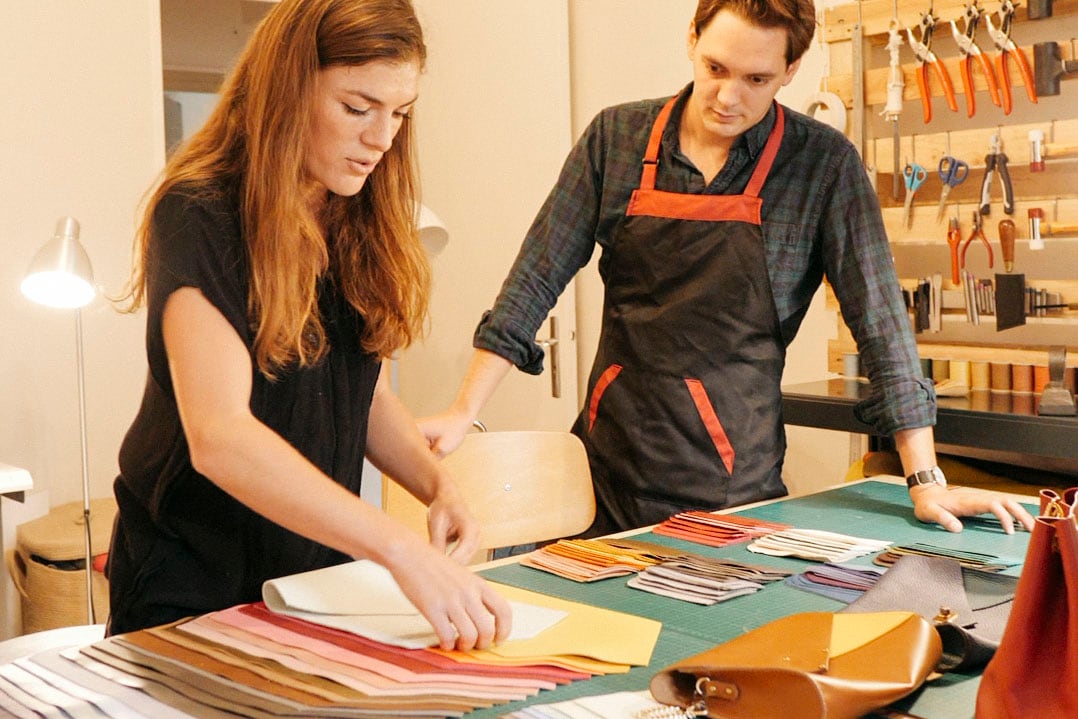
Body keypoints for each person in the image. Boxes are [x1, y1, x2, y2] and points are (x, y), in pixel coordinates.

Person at [420, 0, 1034, 537]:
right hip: (604, 482)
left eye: (756, 78)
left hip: (734, 494)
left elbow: (880, 322)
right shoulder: (616, 138)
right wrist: (461, 411)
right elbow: (536, 276)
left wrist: (925, 479)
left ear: (791, 70)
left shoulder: (822, 166)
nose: (727, 97)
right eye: (715, 68)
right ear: (692, 39)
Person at [106, 0, 511, 649]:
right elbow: (221, 435)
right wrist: (400, 548)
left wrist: (439, 488)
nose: (382, 138)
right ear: (288, 90)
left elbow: (363, 392)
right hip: (191, 585)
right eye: (358, 108)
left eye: (400, 113)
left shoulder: (359, 215)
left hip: (311, 583)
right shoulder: (199, 213)